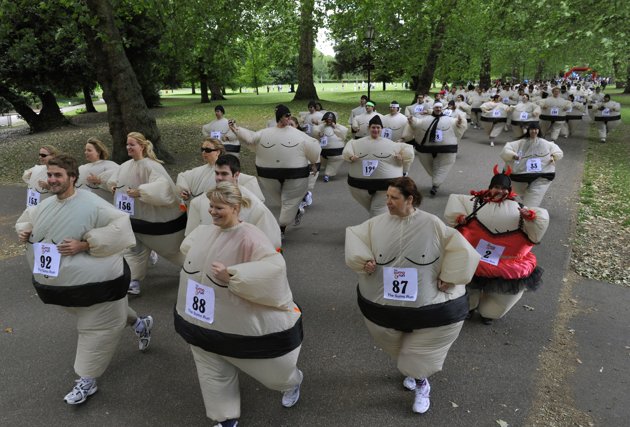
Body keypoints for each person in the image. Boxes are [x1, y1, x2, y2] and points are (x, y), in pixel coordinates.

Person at [15, 154, 153, 405]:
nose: (52, 180)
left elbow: (121, 229)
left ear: (72, 177)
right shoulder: (46, 205)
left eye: (58, 175)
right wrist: (24, 231)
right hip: (64, 289)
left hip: (99, 286)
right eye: (50, 175)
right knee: (106, 313)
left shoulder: (93, 204)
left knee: (96, 328)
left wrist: (86, 244)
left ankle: (86, 380)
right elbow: (27, 218)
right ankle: (140, 323)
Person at [345, 177, 480, 415]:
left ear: (410, 199)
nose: (387, 202)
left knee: (416, 359)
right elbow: (356, 238)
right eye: (386, 196)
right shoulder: (376, 224)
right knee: (395, 346)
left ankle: (421, 383)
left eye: (394, 197)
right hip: (385, 308)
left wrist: (450, 276)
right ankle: (413, 371)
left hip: (429, 307)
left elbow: (461, 249)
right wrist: (363, 260)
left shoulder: (431, 224)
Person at [174, 182, 304, 427]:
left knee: (274, 372)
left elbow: (274, 268)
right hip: (202, 323)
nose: (212, 211)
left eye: (219, 207)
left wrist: (234, 276)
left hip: (239, 322)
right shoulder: (204, 231)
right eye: (211, 206)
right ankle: (224, 418)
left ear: (235, 208)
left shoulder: (250, 236)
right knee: (211, 369)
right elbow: (187, 247)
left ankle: (291, 382)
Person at [444, 167, 549, 324]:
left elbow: (538, 227)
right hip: (474, 258)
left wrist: (530, 218)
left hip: (505, 262)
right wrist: (460, 218)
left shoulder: (519, 210)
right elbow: (456, 205)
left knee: (496, 303)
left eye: (503, 188)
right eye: (496, 187)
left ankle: (488, 313)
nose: (499, 191)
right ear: (490, 188)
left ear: (509, 190)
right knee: (468, 288)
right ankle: (469, 307)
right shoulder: (475, 203)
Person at [107, 132, 186, 295]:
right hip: (134, 220)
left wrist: (141, 192)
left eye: (132, 144)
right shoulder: (125, 165)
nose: (128, 147)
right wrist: (113, 186)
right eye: (127, 144)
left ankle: (192, 268)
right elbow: (115, 178)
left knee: (173, 251)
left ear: (142, 146)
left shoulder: (152, 166)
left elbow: (164, 188)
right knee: (133, 250)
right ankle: (133, 281)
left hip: (154, 222)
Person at [230, 105, 321, 237]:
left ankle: (282, 227)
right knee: (282, 201)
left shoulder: (298, 134)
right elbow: (250, 138)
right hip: (268, 174)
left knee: (289, 201)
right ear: (280, 117)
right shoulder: (265, 133)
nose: (289, 118)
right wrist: (237, 130)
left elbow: (313, 147)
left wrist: (314, 163)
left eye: (290, 116)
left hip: (294, 175)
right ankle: (294, 212)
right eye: (286, 116)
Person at [185, 154, 281, 249]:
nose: (218, 178)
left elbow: (271, 243)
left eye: (224, 173)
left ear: (236, 175)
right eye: (217, 173)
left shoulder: (255, 206)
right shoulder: (199, 202)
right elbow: (191, 238)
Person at [343, 115, 414, 217]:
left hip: (384, 186)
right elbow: (347, 150)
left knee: (377, 210)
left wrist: (401, 158)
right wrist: (350, 157)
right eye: (373, 127)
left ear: (382, 129)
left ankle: (377, 228)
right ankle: (385, 221)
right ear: (368, 128)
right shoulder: (356, 143)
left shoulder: (392, 145)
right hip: (359, 185)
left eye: (378, 127)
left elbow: (407, 152)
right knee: (375, 209)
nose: (375, 130)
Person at [405, 102, 465, 195]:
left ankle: (436, 184)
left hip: (445, 150)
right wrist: (412, 120)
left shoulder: (449, 120)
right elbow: (418, 123)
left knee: (443, 166)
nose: (438, 109)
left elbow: (456, 123)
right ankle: (436, 179)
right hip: (426, 149)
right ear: (433, 108)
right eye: (436, 108)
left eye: (440, 108)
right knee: (430, 167)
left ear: (442, 109)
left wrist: (459, 122)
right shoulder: (425, 119)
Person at [500, 122, 563, 207]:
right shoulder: (519, 143)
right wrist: (513, 155)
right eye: (532, 129)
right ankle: (526, 203)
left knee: (532, 199)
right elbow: (507, 149)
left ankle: (528, 211)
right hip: (519, 175)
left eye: (536, 129)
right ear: (528, 130)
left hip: (542, 174)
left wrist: (554, 156)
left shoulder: (546, 143)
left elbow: (556, 150)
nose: (534, 131)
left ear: (538, 130)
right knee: (520, 191)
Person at [176, 138, 226, 202]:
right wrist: (184, 190)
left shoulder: (225, 171)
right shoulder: (200, 169)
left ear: (218, 152)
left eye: (208, 150)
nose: (204, 152)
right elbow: (182, 176)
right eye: (202, 149)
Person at [76, 137, 119, 202]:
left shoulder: (110, 165)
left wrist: (99, 181)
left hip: (105, 205)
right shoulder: (81, 168)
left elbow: (119, 185)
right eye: (85, 150)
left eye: (89, 150)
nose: (86, 152)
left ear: (98, 152)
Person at [312, 112, 348, 182]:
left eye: (330, 120)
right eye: (327, 120)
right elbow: (315, 130)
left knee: (334, 161)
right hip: (324, 150)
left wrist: (335, 127)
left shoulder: (338, 126)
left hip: (336, 151)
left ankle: (327, 174)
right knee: (324, 160)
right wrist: (319, 133)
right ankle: (327, 171)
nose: (329, 121)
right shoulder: (322, 126)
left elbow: (344, 133)